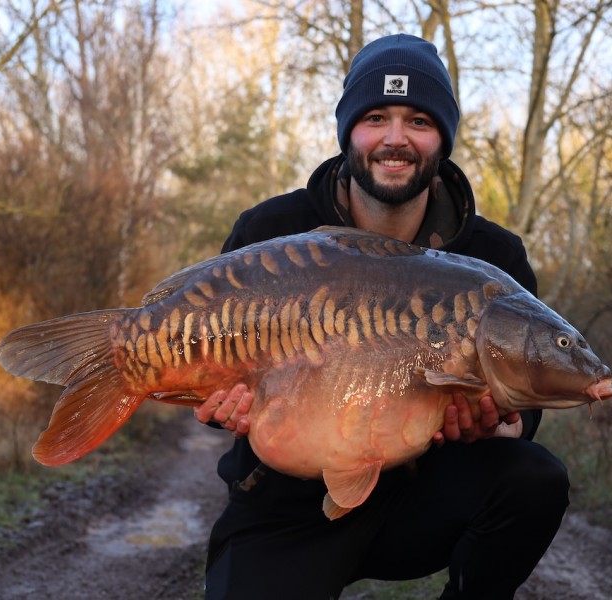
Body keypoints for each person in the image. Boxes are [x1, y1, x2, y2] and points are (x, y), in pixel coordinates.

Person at [195, 33, 569, 600]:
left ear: (442, 136)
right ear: (349, 131)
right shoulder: (270, 233)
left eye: (418, 120)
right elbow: (214, 361)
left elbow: (527, 408)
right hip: (286, 505)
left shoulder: (495, 258)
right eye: (376, 117)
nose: (395, 139)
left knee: (534, 479)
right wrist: (220, 405)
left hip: (426, 495)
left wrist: (500, 423)